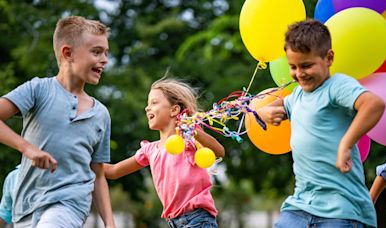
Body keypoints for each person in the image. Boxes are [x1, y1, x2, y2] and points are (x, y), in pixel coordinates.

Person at [258, 19, 385, 228]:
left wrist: (346, 143)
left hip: (341, 209)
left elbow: (374, 104)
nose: (299, 74)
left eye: (307, 65)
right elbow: (275, 104)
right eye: (293, 67)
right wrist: (263, 112)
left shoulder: (336, 86)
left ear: (329, 58)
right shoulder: (298, 95)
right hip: (300, 205)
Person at [0, 16, 115, 227]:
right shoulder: (38, 90)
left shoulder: (101, 114)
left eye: (106, 53)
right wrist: (27, 148)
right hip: (26, 206)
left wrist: (110, 223)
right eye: (96, 52)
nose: (104, 59)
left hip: (70, 204)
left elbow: (98, 176)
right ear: (68, 53)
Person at [104, 77, 225, 227]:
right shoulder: (149, 150)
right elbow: (114, 171)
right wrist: (79, 159)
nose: (147, 108)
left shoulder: (188, 139)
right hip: (174, 223)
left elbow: (219, 152)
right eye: (147, 104)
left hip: (198, 219)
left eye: (154, 103)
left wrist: (195, 132)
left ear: (174, 110)